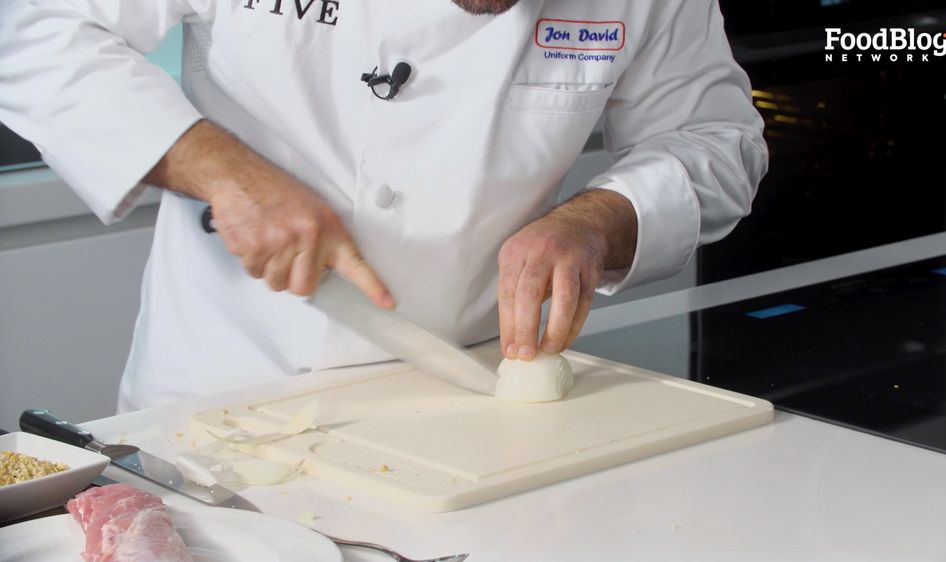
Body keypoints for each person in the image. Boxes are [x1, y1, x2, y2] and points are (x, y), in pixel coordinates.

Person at [0, 0, 768, 411]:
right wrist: (220, 169)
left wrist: (598, 220)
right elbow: (38, 31)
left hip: (469, 398)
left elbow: (718, 137)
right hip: (224, 390)